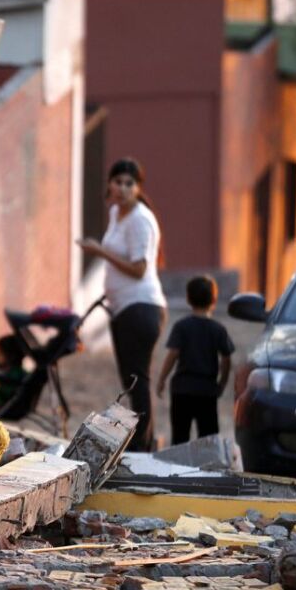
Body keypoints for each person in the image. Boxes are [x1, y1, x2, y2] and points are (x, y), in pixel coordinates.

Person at [76, 158, 167, 451]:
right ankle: (140, 439)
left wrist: (100, 251)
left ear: (138, 188)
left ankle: (144, 443)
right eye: (118, 182)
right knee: (129, 378)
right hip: (122, 308)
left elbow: (139, 268)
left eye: (130, 184)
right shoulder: (117, 212)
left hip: (141, 307)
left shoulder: (141, 219)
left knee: (137, 379)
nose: (123, 188)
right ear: (109, 184)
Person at [155, 276, 234, 445]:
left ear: (188, 299)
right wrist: (222, 383)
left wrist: (162, 379)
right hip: (207, 390)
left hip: (182, 390)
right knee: (208, 438)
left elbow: (172, 355)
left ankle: (178, 469)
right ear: (214, 299)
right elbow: (226, 359)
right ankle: (206, 468)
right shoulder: (218, 329)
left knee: (180, 436)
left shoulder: (181, 326)